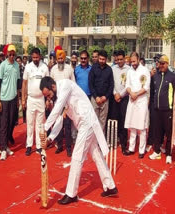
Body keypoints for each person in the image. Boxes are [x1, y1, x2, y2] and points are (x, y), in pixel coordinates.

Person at [40, 77, 118, 205]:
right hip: (85, 124)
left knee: (77, 157)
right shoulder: (59, 96)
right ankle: (110, 186)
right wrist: (50, 138)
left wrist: (44, 127)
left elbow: (57, 109)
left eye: (48, 95)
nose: (48, 99)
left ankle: (71, 193)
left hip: (86, 123)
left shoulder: (65, 85)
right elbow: (60, 118)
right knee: (97, 155)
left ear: (53, 87)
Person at [148, 55, 175, 163]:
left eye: (164, 63)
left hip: (167, 109)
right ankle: (157, 151)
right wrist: (152, 105)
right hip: (156, 109)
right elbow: (152, 91)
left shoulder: (172, 77)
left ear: (167, 64)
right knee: (157, 132)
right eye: (160, 63)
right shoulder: (155, 76)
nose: (161, 65)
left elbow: (174, 94)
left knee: (168, 132)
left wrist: (173, 107)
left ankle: (168, 153)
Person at [22, 48, 49, 156]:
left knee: (40, 124)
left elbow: (48, 84)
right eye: (33, 57)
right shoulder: (28, 67)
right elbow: (24, 83)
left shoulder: (45, 67)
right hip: (31, 99)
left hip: (41, 99)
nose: (35, 59)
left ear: (40, 56)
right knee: (30, 123)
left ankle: (38, 146)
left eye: (37, 57)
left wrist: (48, 100)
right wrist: (23, 99)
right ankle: (29, 145)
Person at [123, 52, 150, 158]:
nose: (133, 63)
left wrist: (136, 94)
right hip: (132, 100)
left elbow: (146, 87)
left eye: (134, 61)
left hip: (141, 100)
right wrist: (131, 93)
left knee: (142, 127)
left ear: (138, 59)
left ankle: (141, 150)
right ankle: (131, 148)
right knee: (132, 126)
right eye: (131, 62)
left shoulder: (145, 70)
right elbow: (127, 85)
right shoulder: (129, 71)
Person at [0, 44, 20, 161]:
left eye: (13, 54)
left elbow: (18, 84)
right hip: (4, 99)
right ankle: (3, 148)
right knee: (4, 124)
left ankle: (6, 146)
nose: (11, 56)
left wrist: (18, 99)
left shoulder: (17, 66)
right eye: (10, 54)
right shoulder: (2, 65)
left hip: (13, 98)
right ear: (7, 54)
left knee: (11, 122)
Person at [50, 49, 74, 156]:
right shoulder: (53, 69)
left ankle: (68, 147)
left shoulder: (69, 69)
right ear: (56, 59)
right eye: (58, 58)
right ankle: (59, 145)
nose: (60, 60)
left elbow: (73, 85)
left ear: (64, 58)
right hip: (57, 101)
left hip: (68, 101)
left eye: (61, 58)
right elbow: (50, 85)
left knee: (67, 125)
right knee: (58, 124)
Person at [109, 50, 130, 154]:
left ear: (125, 59)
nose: (120, 61)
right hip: (114, 98)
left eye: (122, 59)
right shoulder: (113, 69)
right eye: (118, 59)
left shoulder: (129, 69)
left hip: (124, 98)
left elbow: (128, 85)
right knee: (114, 121)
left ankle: (123, 145)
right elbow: (111, 83)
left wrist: (120, 95)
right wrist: (115, 94)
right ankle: (112, 143)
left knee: (123, 123)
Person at [89, 50, 114, 134]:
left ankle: (101, 143)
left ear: (106, 59)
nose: (101, 61)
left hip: (105, 100)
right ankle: (93, 142)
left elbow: (111, 85)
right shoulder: (93, 68)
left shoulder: (109, 70)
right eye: (100, 59)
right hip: (95, 99)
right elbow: (90, 83)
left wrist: (105, 97)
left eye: (103, 59)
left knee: (102, 122)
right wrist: (96, 97)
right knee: (93, 121)